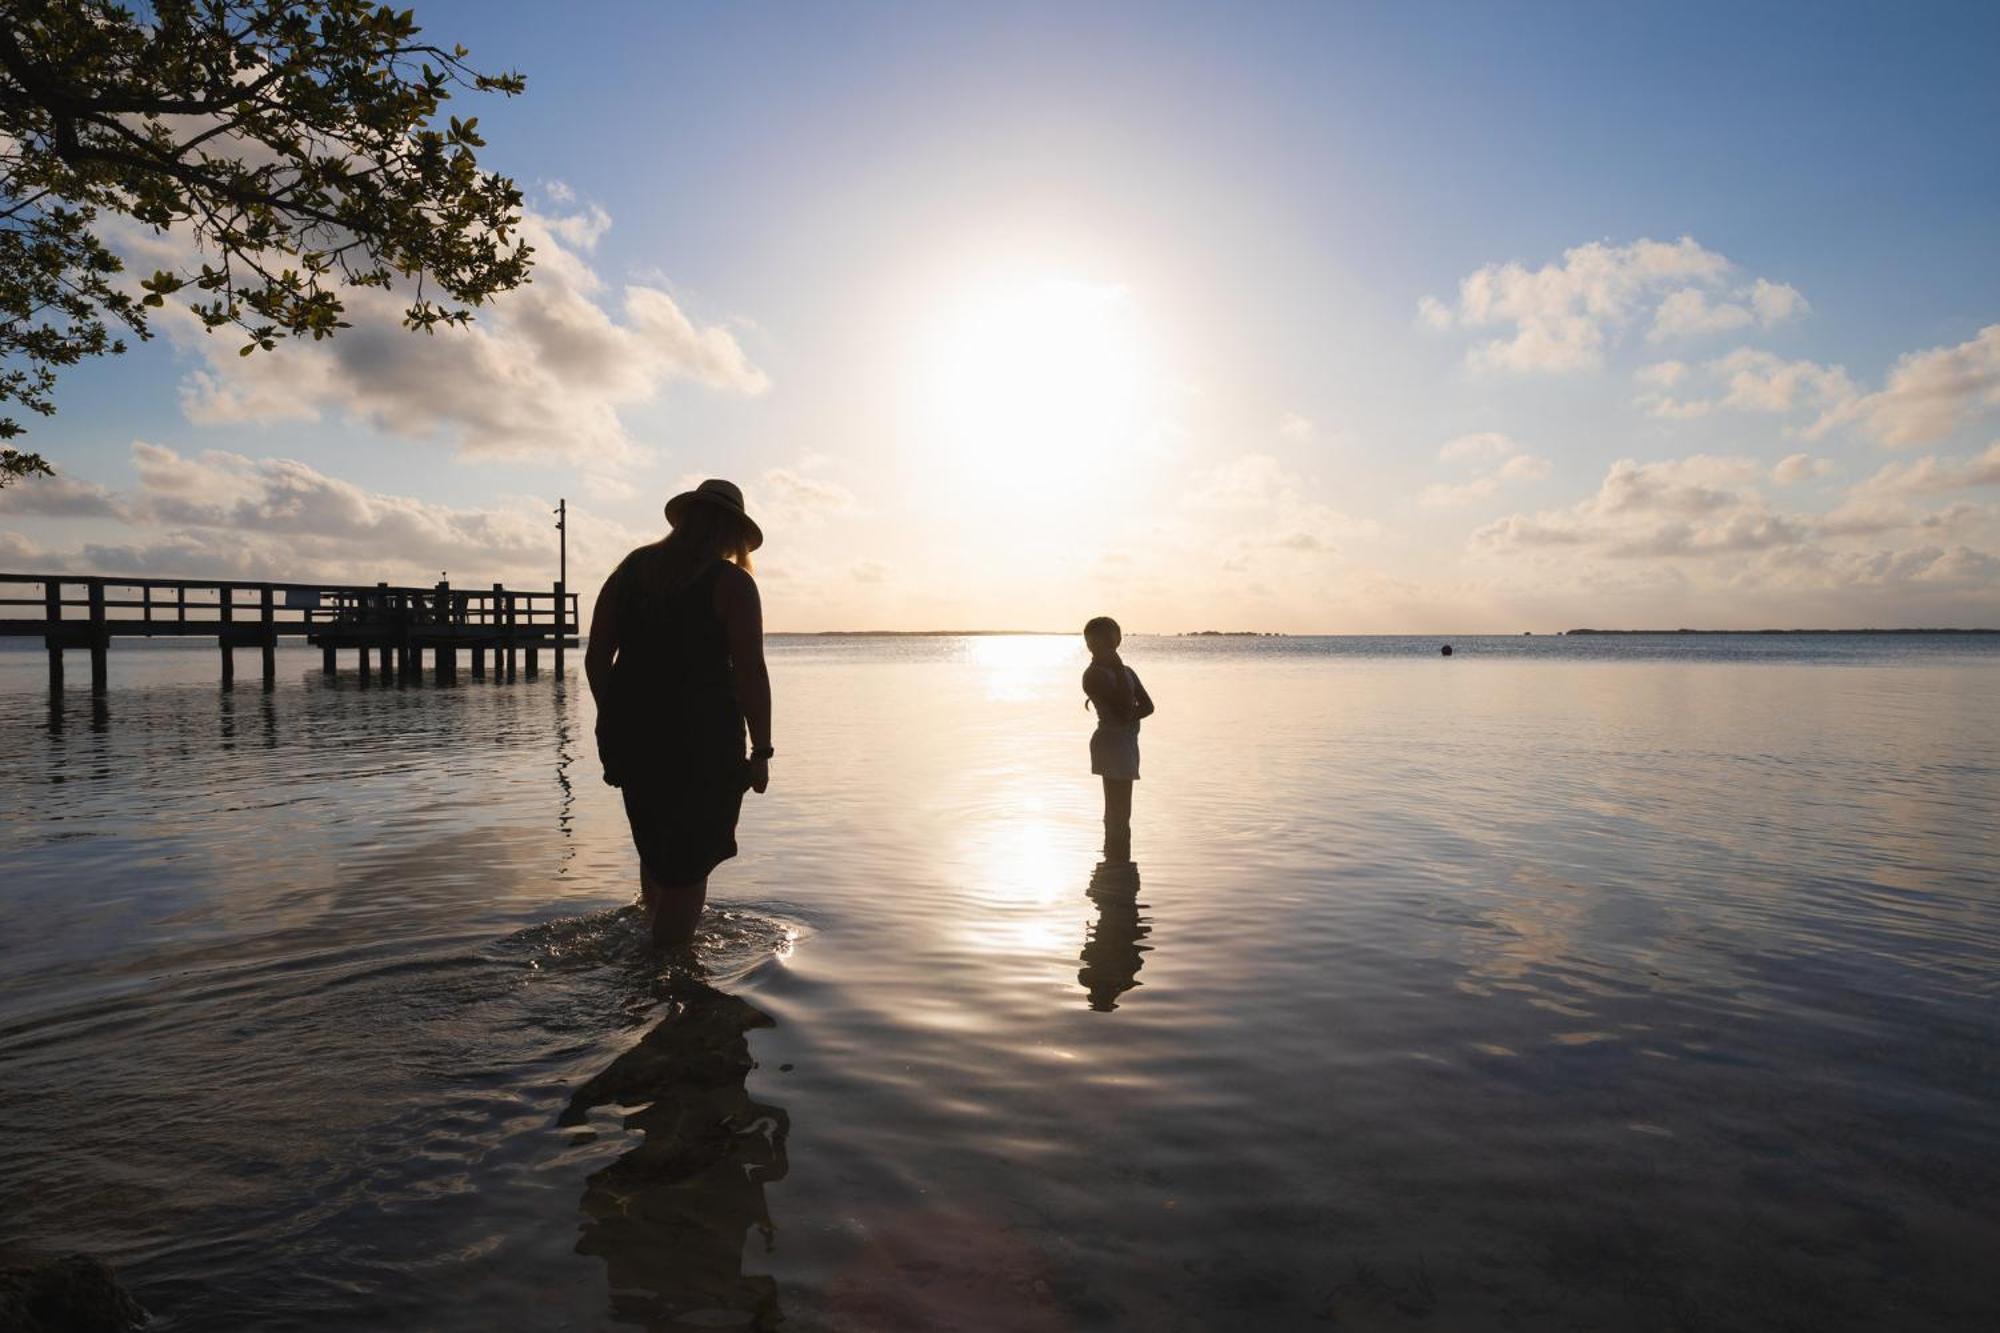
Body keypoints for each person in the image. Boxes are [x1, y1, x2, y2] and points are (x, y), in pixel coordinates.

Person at [586, 479, 773, 949]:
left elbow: (595, 659)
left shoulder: (631, 570)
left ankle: (651, 970)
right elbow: (751, 671)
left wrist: (614, 718)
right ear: (733, 532)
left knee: (657, 849)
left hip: (632, 739)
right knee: (690, 863)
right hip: (703, 743)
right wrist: (762, 749)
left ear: (686, 519)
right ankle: (667, 978)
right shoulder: (731, 583)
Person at [1081, 616, 1154, 863]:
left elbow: (1148, 706)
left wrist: (1129, 714)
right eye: (1102, 639)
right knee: (1117, 811)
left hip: (1128, 743)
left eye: (1115, 636)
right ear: (1091, 643)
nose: (1111, 642)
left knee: (1122, 812)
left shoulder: (1127, 672)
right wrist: (1117, 664)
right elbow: (1124, 706)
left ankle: (1117, 865)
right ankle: (1115, 865)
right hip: (1111, 743)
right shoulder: (1092, 675)